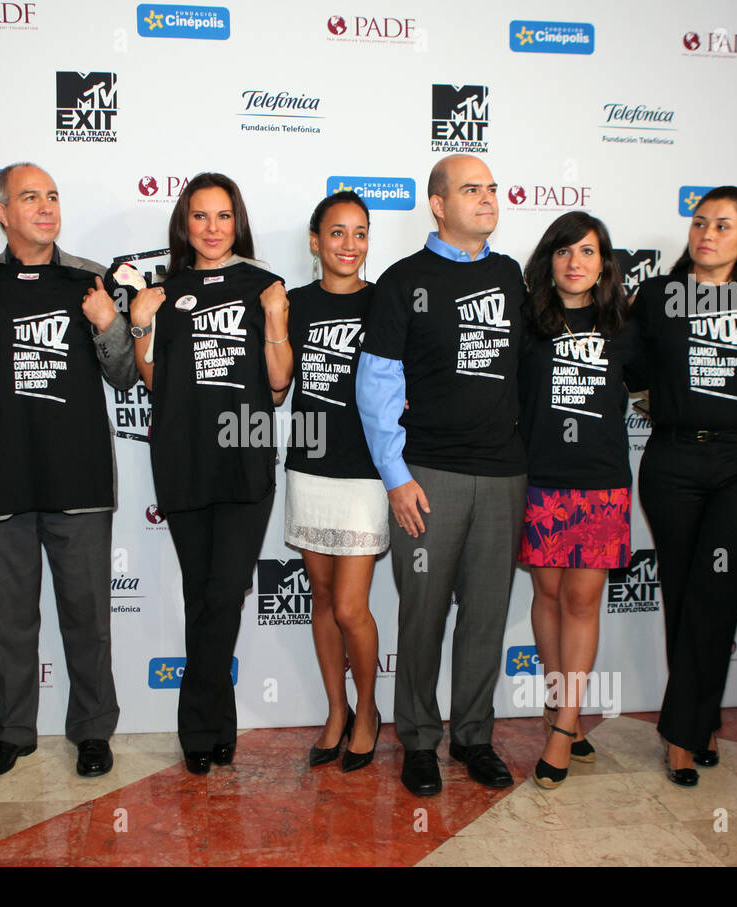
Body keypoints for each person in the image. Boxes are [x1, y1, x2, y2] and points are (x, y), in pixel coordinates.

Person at [0, 162, 134, 780]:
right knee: (8, 624)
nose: (45, 207)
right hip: (0, 480)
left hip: (80, 481)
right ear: (1, 211)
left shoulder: (89, 280)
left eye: (52, 195)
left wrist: (110, 324)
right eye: (29, 197)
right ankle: (13, 732)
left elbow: (123, 375)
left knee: (89, 619)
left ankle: (93, 731)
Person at [356, 154, 527, 797]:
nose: (486, 198)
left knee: (485, 616)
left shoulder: (512, 275)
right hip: (428, 478)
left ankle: (475, 738)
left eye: (490, 187)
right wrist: (396, 476)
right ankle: (419, 741)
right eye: (469, 189)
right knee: (423, 615)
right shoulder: (404, 281)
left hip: (504, 477)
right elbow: (376, 387)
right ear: (436, 203)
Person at [127, 172, 291, 774]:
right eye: (200, 216)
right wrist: (142, 323)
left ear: (237, 221)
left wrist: (275, 318)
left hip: (245, 461)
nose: (212, 228)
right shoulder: (165, 292)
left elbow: (277, 388)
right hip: (183, 461)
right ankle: (216, 724)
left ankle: (197, 726)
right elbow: (151, 380)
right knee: (204, 597)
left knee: (223, 593)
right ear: (184, 224)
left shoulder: (263, 284)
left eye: (223, 216)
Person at [630, 186, 737, 787]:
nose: (707, 233)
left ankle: (682, 731)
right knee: (683, 593)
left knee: (716, 593)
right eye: (699, 222)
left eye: (723, 225)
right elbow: (633, 369)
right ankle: (699, 720)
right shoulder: (660, 295)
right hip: (672, 462)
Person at [517, 211, 637, 789]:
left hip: (602, 480)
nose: (575, 262)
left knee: (583, 599)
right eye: (565, 251)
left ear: (603, 263)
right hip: (540, 477)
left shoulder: (625, 323)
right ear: (550, 259)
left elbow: (654, 384)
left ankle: (564, 725)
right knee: (548, 592)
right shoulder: (526, 319)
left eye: (587, 252)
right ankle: (558, 700)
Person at [284, 191, 386, 772]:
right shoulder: (293, 304)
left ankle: (368, 710)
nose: (349, 245)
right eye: (337, 233)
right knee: (321, 599)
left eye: (360, 233)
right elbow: (277, 384)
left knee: (351, 607)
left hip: (367, 472)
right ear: (316, 240)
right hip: (309, 466)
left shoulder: (385, 303)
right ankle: (335, 711)